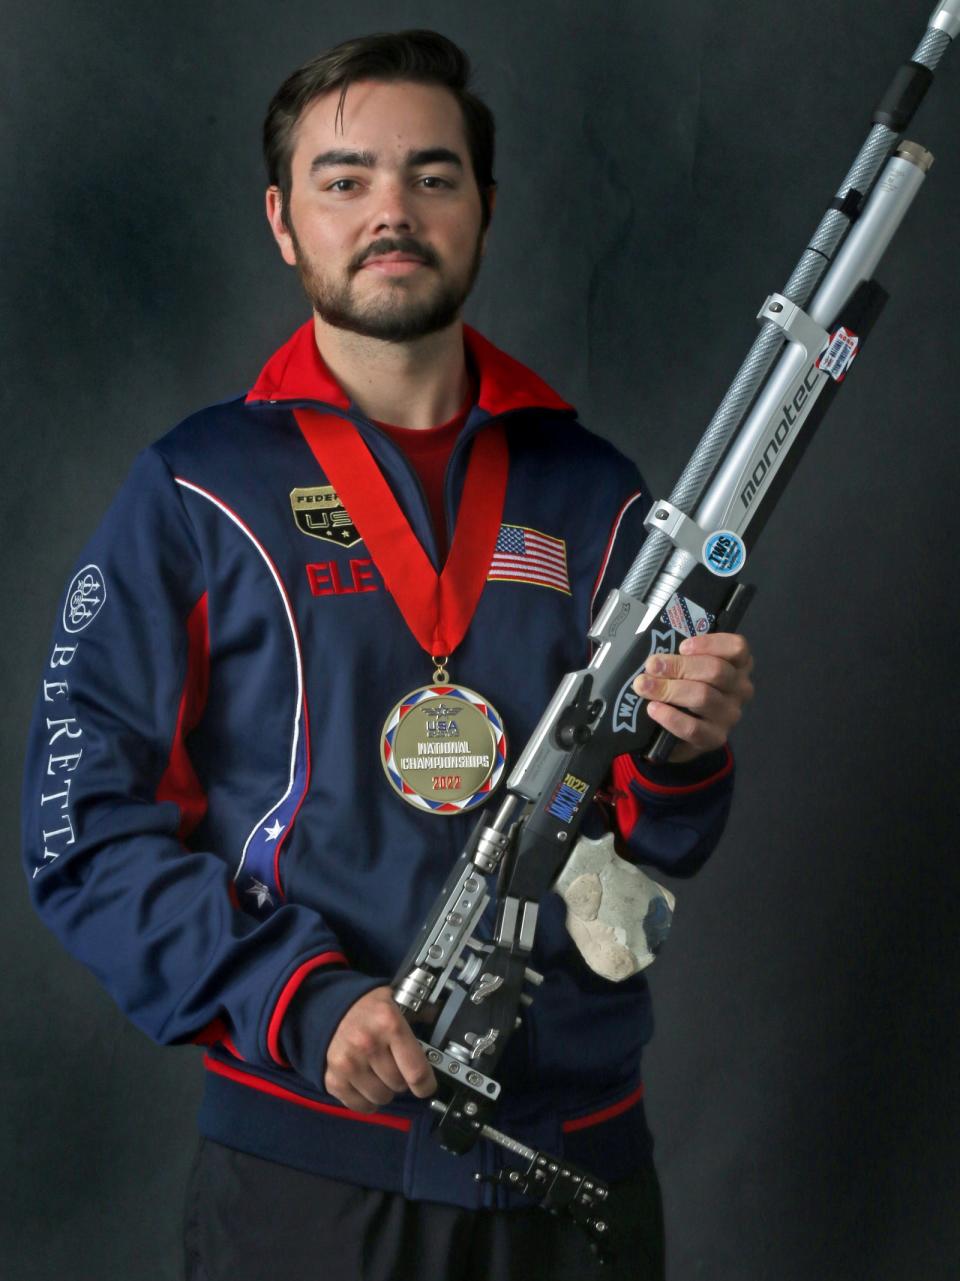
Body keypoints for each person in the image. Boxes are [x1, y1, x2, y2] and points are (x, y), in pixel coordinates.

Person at [22, 29, 754, 1281]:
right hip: (314, 1184)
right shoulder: (197, 491)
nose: (392, 211)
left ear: (484, 206)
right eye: (345, 178)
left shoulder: (604, 498)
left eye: (432, 175)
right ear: (282, 219)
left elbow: (650, 846)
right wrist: (303, 1001)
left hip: (576, 1179)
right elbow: (81, 832)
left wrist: (685, 755)